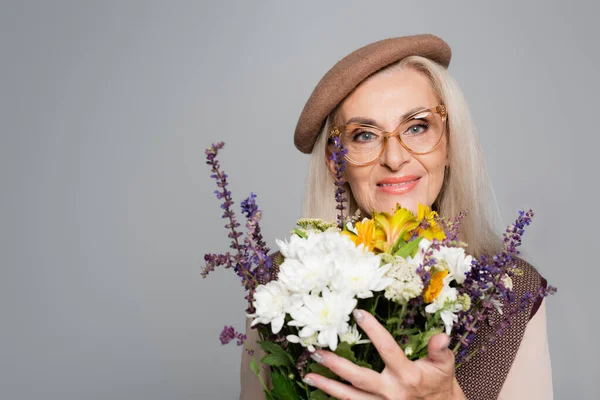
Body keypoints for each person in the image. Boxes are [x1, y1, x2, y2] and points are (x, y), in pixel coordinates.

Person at [240, 34, 552, 400]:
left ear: (449, 142)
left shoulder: (512, 292)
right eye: (364, 135)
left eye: (417, 127)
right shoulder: (283, 283)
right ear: (335, 163)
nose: (394, 158)